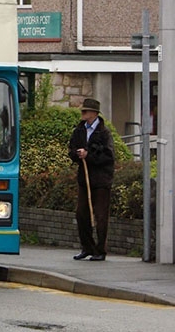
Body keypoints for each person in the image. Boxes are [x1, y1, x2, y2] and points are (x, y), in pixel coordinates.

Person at [68, 98, 115, 262]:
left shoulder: (104, 133)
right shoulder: (79, 130)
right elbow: (71, 150)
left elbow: (108, 157)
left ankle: (100, 250)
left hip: (101, 180)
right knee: (81, 214)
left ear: (94, 114)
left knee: (101, 216)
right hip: (84, 180)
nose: (83, 114)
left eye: (85, 111)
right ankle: (87, 247)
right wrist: (77, 154)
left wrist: (90, 156)